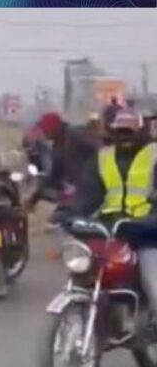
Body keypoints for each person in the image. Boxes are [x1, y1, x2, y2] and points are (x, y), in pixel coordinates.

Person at [70, 111, 157, 315]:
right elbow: (87, 194)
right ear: (112, 133)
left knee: (154, 286)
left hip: (148, 233)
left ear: (142, 132)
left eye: (130, 131)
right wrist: (71, 214)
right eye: (121, 131)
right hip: (110, 231)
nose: (125, 136)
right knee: (82, 272)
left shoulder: (154, 155)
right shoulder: (101, 159)